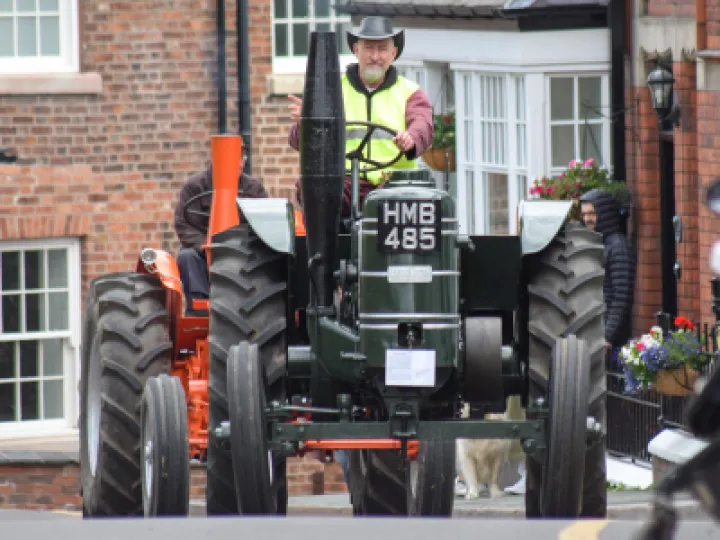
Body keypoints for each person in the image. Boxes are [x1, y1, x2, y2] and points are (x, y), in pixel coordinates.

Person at [286, 16, 435, 217]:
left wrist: (411, 138)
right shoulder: (332, 90)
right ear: (356, 50)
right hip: (345, 181)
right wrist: (307, 124)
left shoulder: (410, 92)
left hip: (394, 182)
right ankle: (327, 247)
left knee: (399, 205)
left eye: (382, 49)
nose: (375, 56)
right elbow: (299, 142)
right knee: (313, 186)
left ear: (393, 53)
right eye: (368, 48)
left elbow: (422, 123)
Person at [173, 161, 268, 315]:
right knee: (186, 256)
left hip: (243, 250)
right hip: (203, 251)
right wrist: (204, 245)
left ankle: (254, 308)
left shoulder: (253, 188)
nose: (240, 163)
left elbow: (264, 224)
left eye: (242, 157)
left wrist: (242, 246)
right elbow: (183, 224)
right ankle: (199, 308)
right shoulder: (194, 187)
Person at [579, 188, 636, 350]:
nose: (587, 219)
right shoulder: (602, 244)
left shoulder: (618, 247)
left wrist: (607, 336)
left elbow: (621, 297)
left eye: (591, 213)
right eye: (584, 215)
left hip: (612, 338)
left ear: (605, 213)